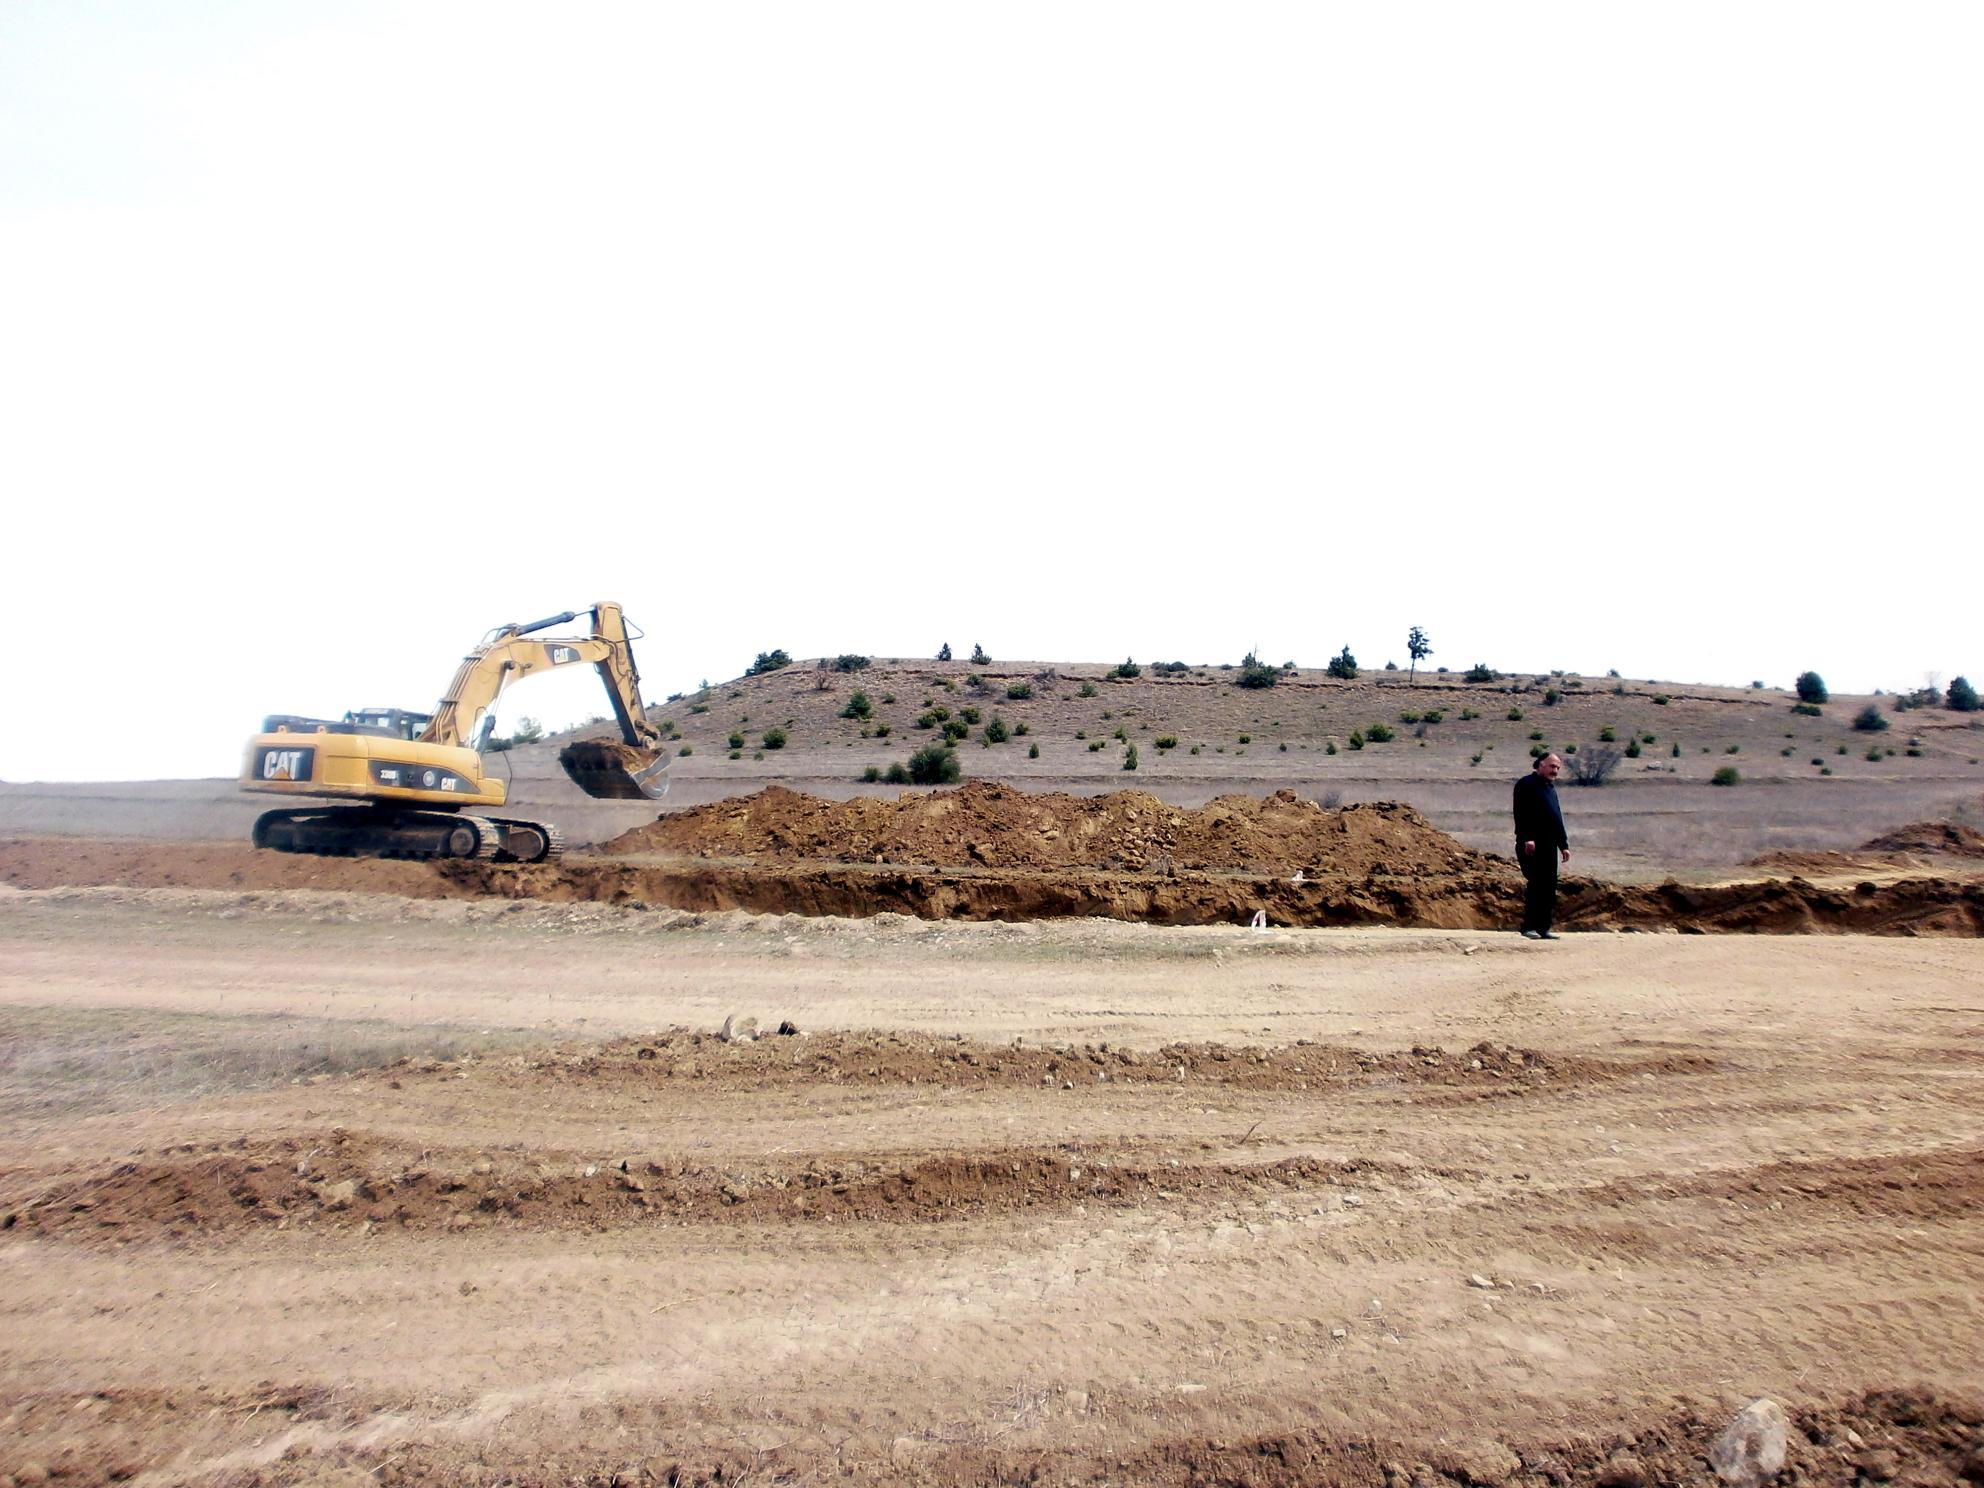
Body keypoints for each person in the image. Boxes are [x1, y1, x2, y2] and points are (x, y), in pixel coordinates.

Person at [1512, 752, 1570, 938]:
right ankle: (1528, 927)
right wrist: (1527, 837)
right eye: (1552, 766)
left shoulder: (1550, 788)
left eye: (1558, 768)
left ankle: (1543, 928)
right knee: (1536, 884)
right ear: (1541, 765)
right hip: (1531, 844)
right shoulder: (1526, 784)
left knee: (1549, 886)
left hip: (1549, 845)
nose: (1555, 771)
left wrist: (1563, 845)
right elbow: (1521, 813)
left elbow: (1556, 818)